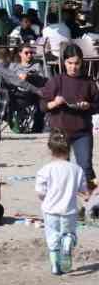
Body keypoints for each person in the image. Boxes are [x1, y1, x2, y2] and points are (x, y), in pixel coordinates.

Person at [40, 46, 99, 186]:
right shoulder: (56, 80)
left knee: (86, 168)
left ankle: (93, 201)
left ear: (82, 62)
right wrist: (54, 103)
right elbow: (43, 106)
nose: (73, 67)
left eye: (76, 63)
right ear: (64, 62)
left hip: (82, 132)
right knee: (61, 170)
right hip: (60, 133)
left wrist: (88, 106)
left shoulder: (89, 82)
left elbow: (97, 104)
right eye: (70, 63)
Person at [35, 131, 88, 274]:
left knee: (52, 238)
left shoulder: (45, 170)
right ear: (69, 149)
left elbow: (40, 192)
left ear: (50, 149)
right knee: (69, 233)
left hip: (50, 210)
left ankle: (55, 266)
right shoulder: (77, 169)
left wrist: (45, 198)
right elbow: (83, 190)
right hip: (69, 210)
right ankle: (68, 241)